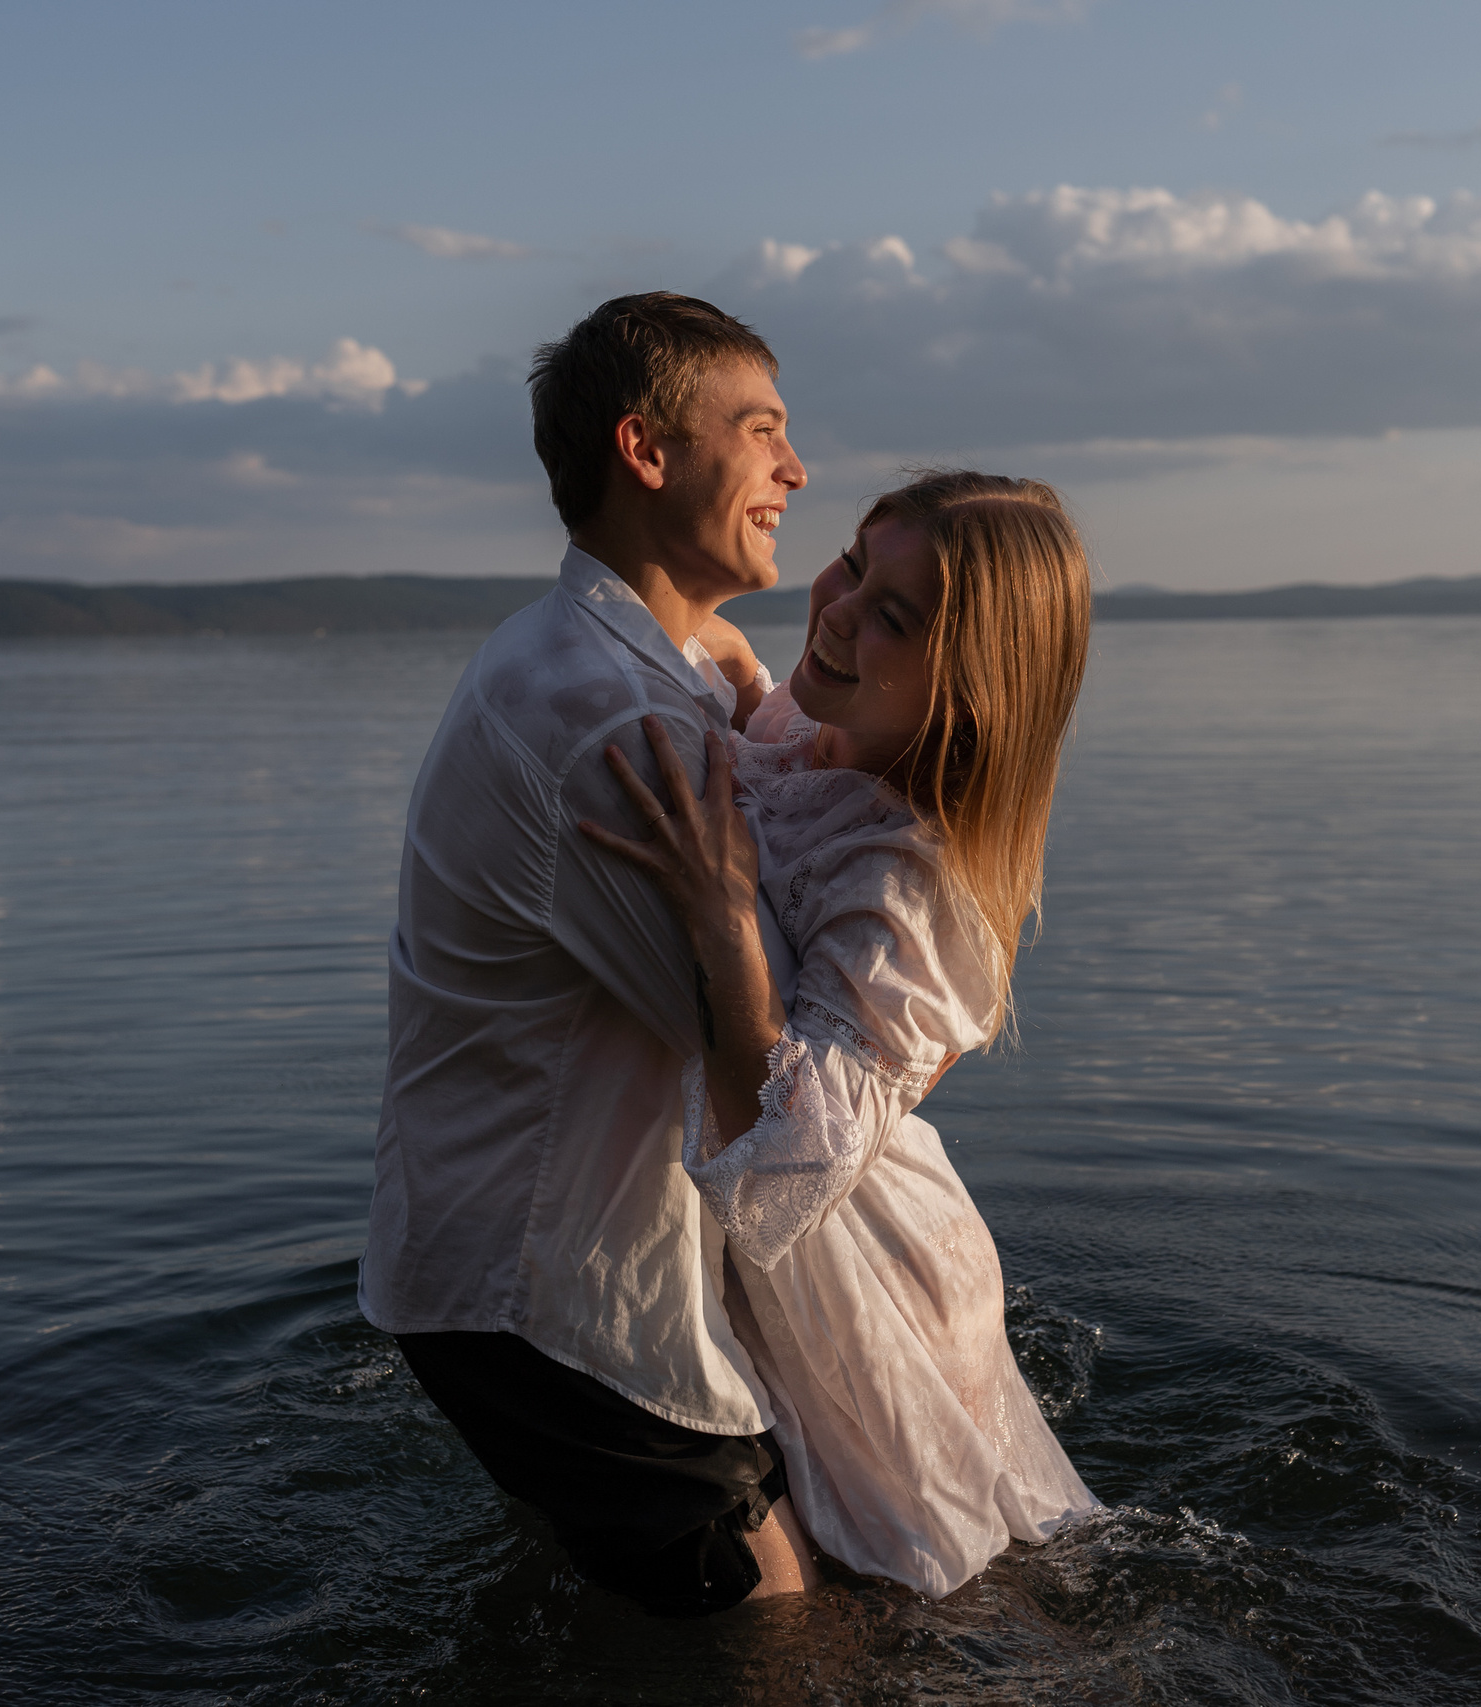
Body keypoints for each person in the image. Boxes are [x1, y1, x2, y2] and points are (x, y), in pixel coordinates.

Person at [357, 292, 819, 1617]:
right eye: (764, 431)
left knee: (595, 1603)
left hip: (481, 1263)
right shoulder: (611, 724)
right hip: (548, 1300)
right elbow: (765, 1086)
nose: (796, 470)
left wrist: (745, 679)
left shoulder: (610, 663)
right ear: (647, 449)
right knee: (784, 1616)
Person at [580, 470, 1102, 1598]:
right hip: (812, 1249)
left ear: (970, 686)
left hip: (869, 1265)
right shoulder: (811, 724)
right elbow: (774, 772)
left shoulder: (915, 882)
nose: (840, 609)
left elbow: (784, 1173)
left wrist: (721, 917)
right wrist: (724, 669)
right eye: (856, 564)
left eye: (895, 617)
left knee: (925, 1605)